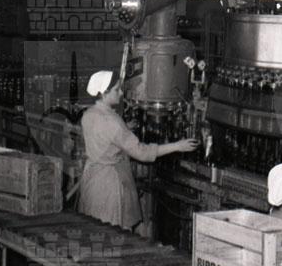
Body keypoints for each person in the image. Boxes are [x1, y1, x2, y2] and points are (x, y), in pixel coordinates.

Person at [78, 70, 199, 230]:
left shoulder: (88, 114)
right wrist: (178, 145)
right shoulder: (113, 122)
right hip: (108, 185)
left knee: (94, 229)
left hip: (92, 179)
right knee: (111, 230)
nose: (121, 93)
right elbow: (142, 152)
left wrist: (124, 129)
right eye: (116, 90)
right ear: (104, 92)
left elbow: (103, 135)